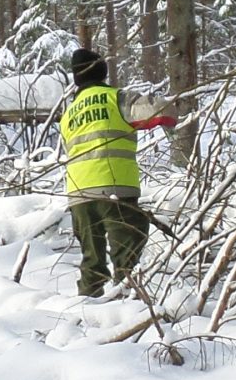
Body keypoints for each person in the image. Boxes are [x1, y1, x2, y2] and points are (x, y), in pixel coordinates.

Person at [57, 46, 171, 298]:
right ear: (102, 70)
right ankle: (128, 308)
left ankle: (89, 308)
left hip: (78, 194)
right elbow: (161, 113)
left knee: (91, 261)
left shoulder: (68, 114)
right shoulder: (116, 98)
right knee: (127, 256)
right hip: (115, 188)